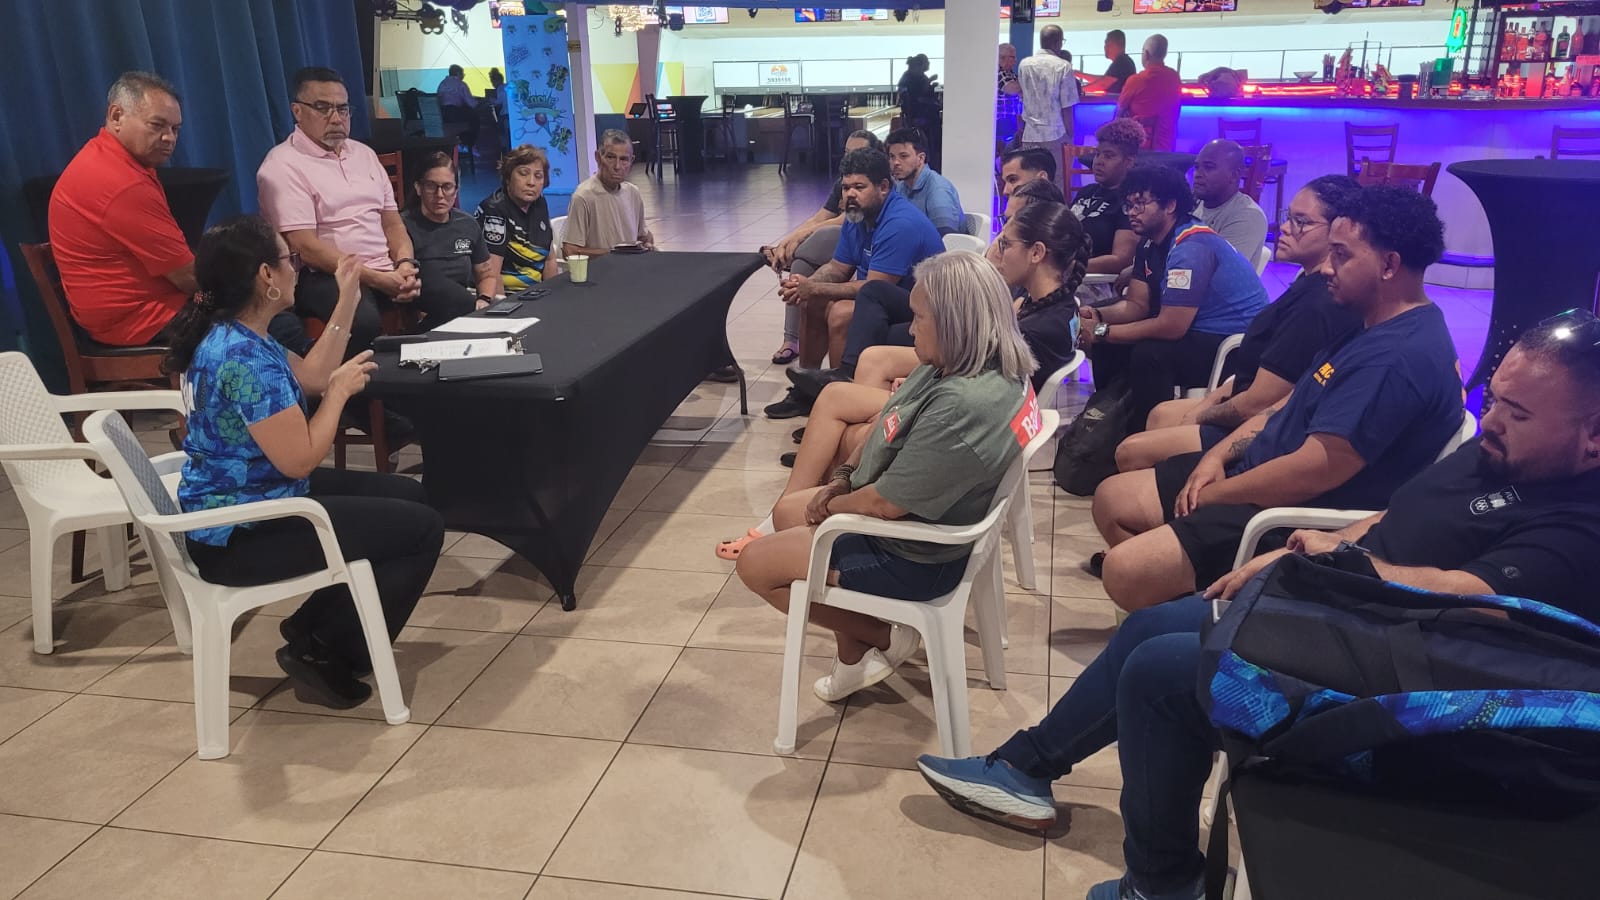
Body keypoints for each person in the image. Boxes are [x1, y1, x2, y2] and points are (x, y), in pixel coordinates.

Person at [915, 316, 1600, 900]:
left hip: (1402, 683)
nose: (1493, 419)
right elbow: (1400, 516)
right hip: (1354, 607)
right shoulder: (1506, 456)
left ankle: (1160, 883)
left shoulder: (1580, 525)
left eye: (1518, 412)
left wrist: (1337, 564)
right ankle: (1024, 770)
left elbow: (1469, 600)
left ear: (1593, 434)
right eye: (1494, 397)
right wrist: (1324, 548)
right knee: (1151, 629)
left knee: (1160, 675)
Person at [1091, 186, 1464, 611]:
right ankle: (1179, 593)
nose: (1328, 267)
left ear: (1389, 265)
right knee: (1110, 499)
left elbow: (1312, 473)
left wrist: (1216, 494)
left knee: (1123, 570)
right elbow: (1285, 403)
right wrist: (1219, 456)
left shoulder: (1396, 358)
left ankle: (1194, 609)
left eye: (1341, 255)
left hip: (1291, 510)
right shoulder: (1368, 322)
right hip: (1259, 469)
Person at [163, 215, 444, 710]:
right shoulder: (243, 359)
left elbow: (312, 375)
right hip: (241, 533)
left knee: (412, 496)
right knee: (420, 529)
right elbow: (301, 459)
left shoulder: (239, 333)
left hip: (257, 497)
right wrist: (338, 396)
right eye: (287, 260)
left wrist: (348, 296)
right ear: (266, 276)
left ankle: (313, 626)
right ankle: (326, 649)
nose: (294, 268)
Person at [737, 251, 1040, 701]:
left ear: (955, 322)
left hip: (915, 555)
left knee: (755, 566)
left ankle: (882, 635)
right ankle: (855, 649)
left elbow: (885, 504)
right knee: (787, 512)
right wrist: (841, 478)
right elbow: (888, 421)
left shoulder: (962, 405)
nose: (910, 329)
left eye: (919, 318)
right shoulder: (957, 364)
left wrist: (832, 505)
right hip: (911, 525)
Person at [1116, 176, 1364, 472]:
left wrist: (1202, 415)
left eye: (1301, 222)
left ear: (1338, 232)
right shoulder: (1306, 281)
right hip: (1245, 385)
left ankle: (1146, 483)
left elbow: (1261, 404)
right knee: (1159, 415)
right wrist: (1210, 402)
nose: (1284, 228)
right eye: (1288, 217)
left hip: (1265, 421)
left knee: (1131, 449)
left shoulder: (1316, 305)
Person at [1078, 165, 1268, 432]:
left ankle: (1149, 434)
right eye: (1128, 205)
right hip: (1195, 328)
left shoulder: (1191, 247)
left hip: (1233, 344)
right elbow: (1137, 305)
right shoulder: (1148, 242)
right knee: (1109, 343)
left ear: (1170, 205)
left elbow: (1171, 326)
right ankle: (1109, 422)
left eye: (1140, 204)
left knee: (1149, 354)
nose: (1132, 212)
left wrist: (1102, 331)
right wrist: (1095, 316)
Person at [764, 148, 943, 420]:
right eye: (846, 187)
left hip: (922, 311)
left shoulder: (900, 223)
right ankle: (806, 391)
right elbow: (838, 268)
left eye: (859, 187)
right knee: (813, 301)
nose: (850, 194)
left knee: (841, 312)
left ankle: (841, 402)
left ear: (884, 187)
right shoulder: (857, 215)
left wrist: (813, 288)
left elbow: (874, 287)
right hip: (880, 300)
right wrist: (807, 285)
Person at [257, 66, 419, 358]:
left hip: (385, 266)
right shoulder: (282, 165)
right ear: (297, 111)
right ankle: (346, 386)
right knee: (364, 322)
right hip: (324, 274)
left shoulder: (364, 154)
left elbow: (393, 224)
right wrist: (376, 278)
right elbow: (306, 247)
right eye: (323, 108)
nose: (336, 118)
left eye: (342, 109)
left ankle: (421, 375)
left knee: (453, 299)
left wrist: (405, 263)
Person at [49, 71, 197, 346]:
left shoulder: (108, 158)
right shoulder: (120, 183)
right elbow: (188, 277)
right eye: (157, 125)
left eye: (175, 129)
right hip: (140, 320)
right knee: (259, 314)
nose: (169, 138)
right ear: (116, 116)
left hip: (135, 311)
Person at [763, 130, 884, 367]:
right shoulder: (845, 184)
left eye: (859, 152)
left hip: (879, 276)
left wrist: (799, 241)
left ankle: (787, 259)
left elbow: (840, 221)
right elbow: (820, 217)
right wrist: (788, 240)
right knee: (802, 268)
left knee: (820, 240)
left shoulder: (879, 194)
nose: (851, 158)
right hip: (845, 247)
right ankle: (795, 349)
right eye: (847, 153)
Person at [987, 201, 1090, 390]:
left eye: (1005, 244)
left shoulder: (1034, 332)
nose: (998, 253)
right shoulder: (1061, 303)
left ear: (1036, 252)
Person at [401, 152, 497, 326]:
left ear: (456, 190)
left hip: (464, 308)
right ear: (418, 188)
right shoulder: (403, 226)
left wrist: (484, 299)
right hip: (423, 308)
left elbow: (486, 274)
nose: (439, 194)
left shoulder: (468, 224)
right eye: (431, 186)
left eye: (447, 187)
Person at [476, 144, 560, 293]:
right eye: (523, 173)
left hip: (538, 294)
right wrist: (504, 305)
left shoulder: (539, 203)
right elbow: (492, 275)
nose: (531, 182)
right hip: (510, 296)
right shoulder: (494, 210)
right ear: (508, 177)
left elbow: (549, 259)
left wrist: (553, 296)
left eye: (538, 176)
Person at [563, 129, 654, 257]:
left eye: (624, 159)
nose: (617, 166)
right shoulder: (583, 196)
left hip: (631, 266)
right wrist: (613, 254)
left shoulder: (633, 193)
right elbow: (570, 251)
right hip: (600, 268)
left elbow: (644, 236)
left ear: (631, 161)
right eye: (610, 157)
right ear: (598, 157)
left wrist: (647, 243)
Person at [1072, 118, 1145, 275]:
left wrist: (1068, 267)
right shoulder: (1085, 192)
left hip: (1095, 281)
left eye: (1109, 156)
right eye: (1098, 154)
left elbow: (1121, 260)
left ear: (1129, 161)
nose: (1099, 162)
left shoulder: (1130, 202)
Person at [1191, 140, 1268, 261]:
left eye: (1209, 167)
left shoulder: (1248, 216)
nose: (1197, 174)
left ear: (1234, 175)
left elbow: (1221, 269)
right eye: (1197, 167)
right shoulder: (1193, 202)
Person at [1016, 25, 1080, 162]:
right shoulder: (1063, 66)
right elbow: (1067, 107)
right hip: (1055, 134)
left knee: (1031, 174)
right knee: (1056, 174)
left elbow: (1022, 94)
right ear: (1057, 42)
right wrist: (1070, 135)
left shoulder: (1024, 65)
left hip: (1030, 134)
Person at [886, 127, 964, 236]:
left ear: (921, 158)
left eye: (903, 156)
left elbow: (946, 238)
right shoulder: (901, 187)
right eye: (892, 157)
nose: (895, 163)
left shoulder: (938, 189)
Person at [1117, 35, 1183, 152]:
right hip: (1167, 146)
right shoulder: (1174, 77)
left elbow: (1119, 111)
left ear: (1146, 54)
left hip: (1138, 147)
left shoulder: (1136, 80)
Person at [436, 63, 479, 153]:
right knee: (475, 118)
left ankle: (459, 145)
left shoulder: (442, 84)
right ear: (458, 73)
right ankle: (469, 145)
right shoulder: (461, 84)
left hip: (442, 116)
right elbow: (471, 103)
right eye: (463, 74)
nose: (463, 76)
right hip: (455, 115)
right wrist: (480, 103)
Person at [1082, 29, 1139, 95]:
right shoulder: (1123, 61)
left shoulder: (1122, 62)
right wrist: (1079, 74)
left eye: (1108, 44)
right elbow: (1102, 80)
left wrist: (1077, 90)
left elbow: (1102, 84)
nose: (1105, 47)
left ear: (1118, 45)